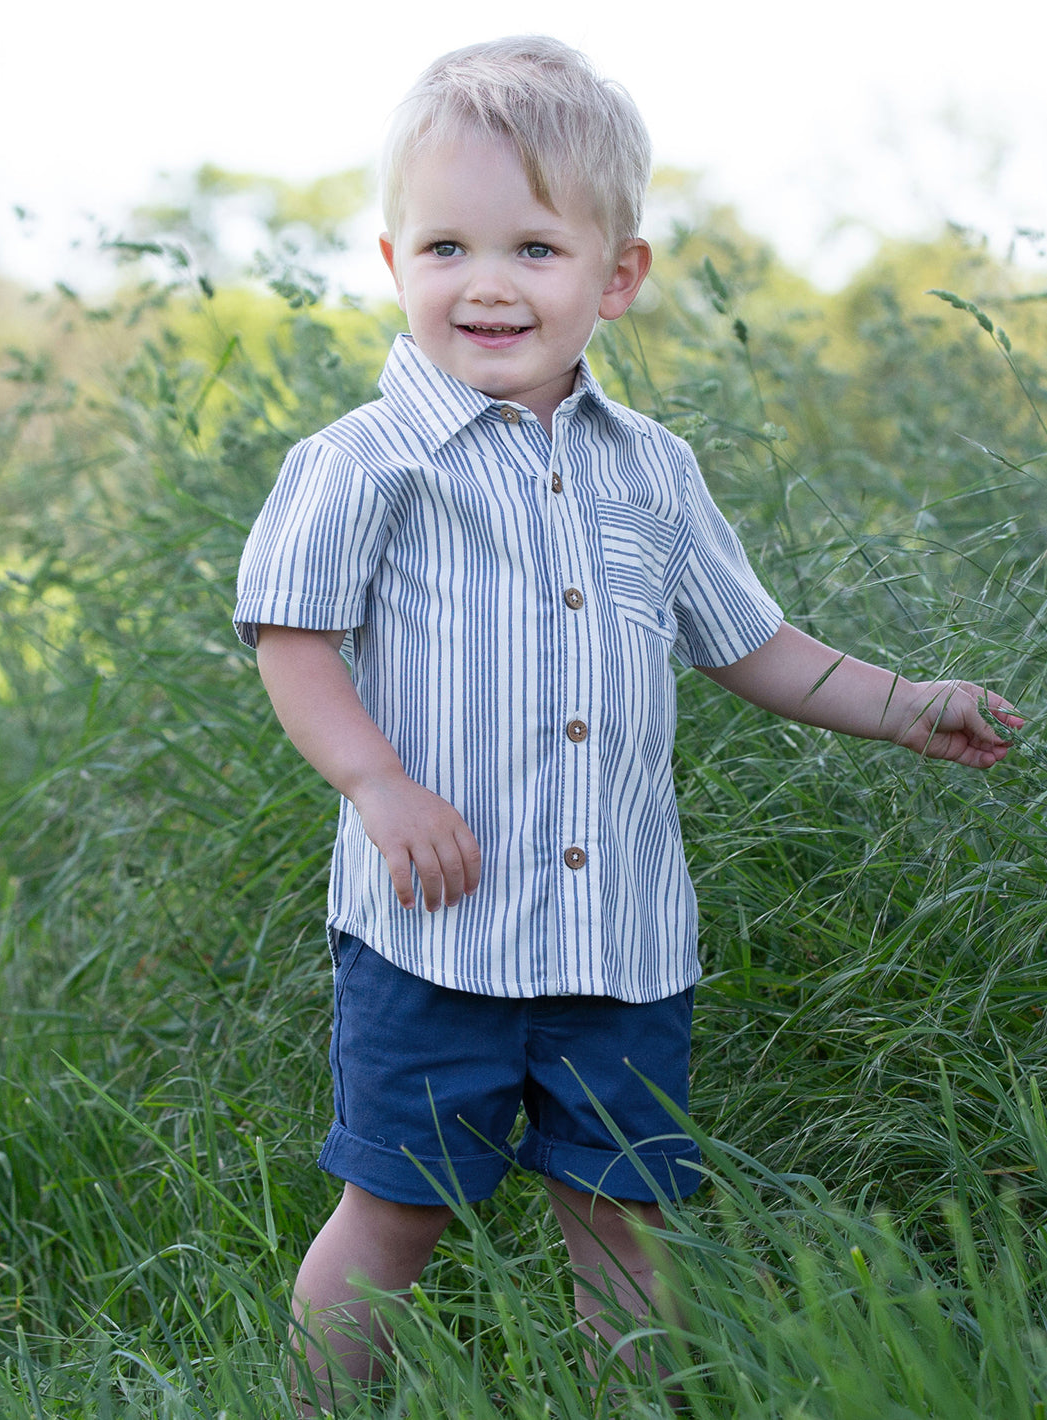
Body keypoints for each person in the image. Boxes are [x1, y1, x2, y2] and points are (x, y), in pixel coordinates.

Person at [233, 35, 1021, 1409]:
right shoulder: (362, 463)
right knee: (396, 1213)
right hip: (434, 932)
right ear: (390, 263)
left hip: (621, 940)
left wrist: (908, 707)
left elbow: (751, 643)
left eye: (533, 248)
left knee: (624, 1213)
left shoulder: (651, 470)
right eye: (445, 249)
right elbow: (291, 639)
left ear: (617, 275)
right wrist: (376, 785)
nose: (485, 283)